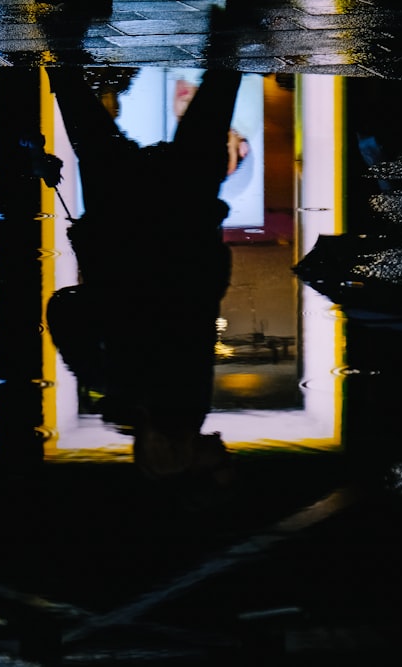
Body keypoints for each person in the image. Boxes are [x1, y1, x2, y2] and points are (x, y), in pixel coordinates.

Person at [41, 66, 242, 483]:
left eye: (219, 461)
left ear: (185, 455)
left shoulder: (185, 405)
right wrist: (99, 279)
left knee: (206, 125)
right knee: (95, 137)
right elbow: (64, 310)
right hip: (120, 235)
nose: (224, 451)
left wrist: (214, 258)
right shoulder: (118, 393)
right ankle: (61, 54)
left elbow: (196, 314)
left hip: (182, 229)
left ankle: (230, 45)